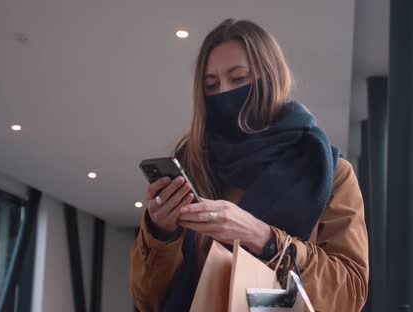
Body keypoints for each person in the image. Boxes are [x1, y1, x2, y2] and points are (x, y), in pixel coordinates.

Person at [130, 18, 368, 312]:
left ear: (271, 77)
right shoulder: (193, 164)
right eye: (212, 85)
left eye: (239, 79)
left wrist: (263, 238)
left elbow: (350, 294)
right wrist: (161, 235)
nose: (223, 93)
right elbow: (148, 300)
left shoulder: (328, 171)